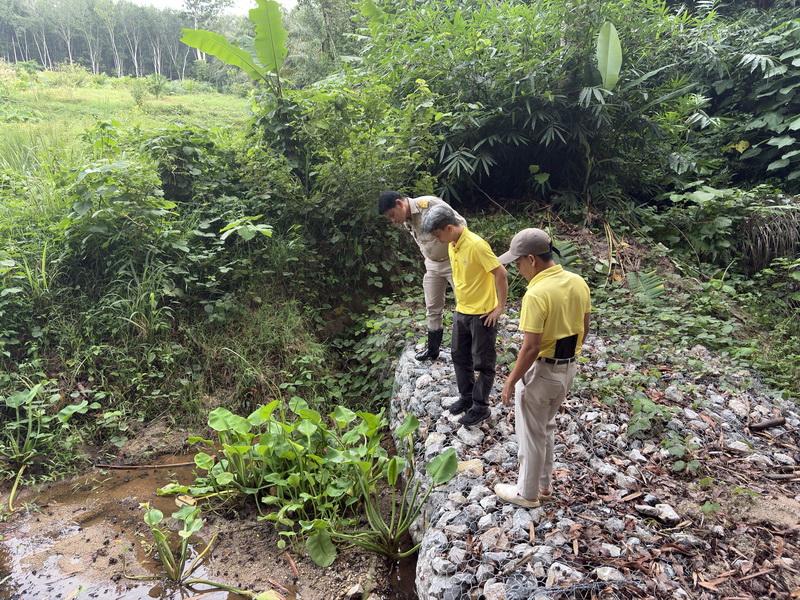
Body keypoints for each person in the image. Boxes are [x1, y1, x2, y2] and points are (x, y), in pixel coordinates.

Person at [492, 228, 591, 508]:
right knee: (545, 427)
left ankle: (527, 493)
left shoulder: (536, 293)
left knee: (531, 434)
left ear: (532, 259)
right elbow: (585, 326)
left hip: (541, 370)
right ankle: (544, 486)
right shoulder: (577, 281)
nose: (518, 268)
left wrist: (512, 380)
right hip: (567, 369)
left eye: (518, 262)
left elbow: (531, 346)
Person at [421, 204, 508, 427]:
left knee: (483, 363)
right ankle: (467, 397)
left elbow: (500, 273)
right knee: (459, 356)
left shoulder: (477, 245)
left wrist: (499, 307)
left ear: (449, 227)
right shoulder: (452, 244)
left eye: (438, 234)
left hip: (482, 315)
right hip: (462, 311)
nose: (437, 240)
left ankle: (481, 407)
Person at [378, 191, 467, 361]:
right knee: (432, 306)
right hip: (432, 265)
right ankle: (433, 349)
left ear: (399, 203)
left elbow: (461, 224)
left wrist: (459, 254)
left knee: (463, 304)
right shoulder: (407, 219)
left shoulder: (429, 204)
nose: (392, 220)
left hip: (452, 261)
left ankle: (464, 349)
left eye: (392, 215)